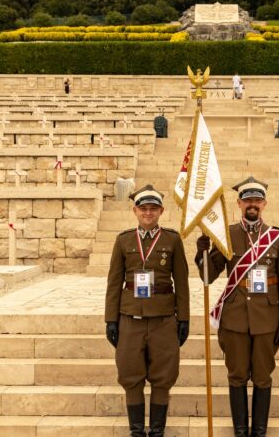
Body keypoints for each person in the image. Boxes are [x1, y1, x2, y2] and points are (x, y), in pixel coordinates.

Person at [196, 176, 279, 437]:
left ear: (265, 204)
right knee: (237, 374)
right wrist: (202, 253)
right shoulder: (227, 235)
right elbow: (209, 276)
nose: (253, 204)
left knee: (263, 376)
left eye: (257, 200)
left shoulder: (277, 237)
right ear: (238, 203)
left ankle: (259, 430)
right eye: (248, 200)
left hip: (267, 318)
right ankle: (241, 430)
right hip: (235, 317)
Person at [105, 185, 190, 437]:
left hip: (163, 318)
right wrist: (111, 319)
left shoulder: (172, 239)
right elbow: (114, 282)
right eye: (143, 208)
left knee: (163, 374)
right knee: (130, 372)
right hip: (130, 318)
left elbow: (182, 282)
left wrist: (183, 317)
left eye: (153, 208)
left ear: (161, 211)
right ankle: (136, 430)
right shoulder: (123, 240)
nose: (148, 213)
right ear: (135, 211)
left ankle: (157, 430)